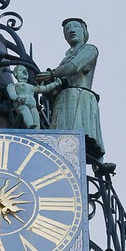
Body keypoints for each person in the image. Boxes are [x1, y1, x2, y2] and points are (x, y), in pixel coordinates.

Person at [36, 18, 104, 159]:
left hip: (79, 95)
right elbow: (61, 80)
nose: (71, 30)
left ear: (84, 32)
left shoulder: (89, 49)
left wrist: (52, 73)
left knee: (81, 133)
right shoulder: (66, 57)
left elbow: (74, 67)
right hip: (64, 98)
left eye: (75, 27)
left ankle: (99, 162)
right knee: (59, 140)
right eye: (67, 29)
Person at [5, 64, 40, 130]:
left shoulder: (31, 87)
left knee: (35, 113)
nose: (25, 72)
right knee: (25, 110)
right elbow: (12, 95)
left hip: (32, 106)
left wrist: (54, 84)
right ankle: (30, 125)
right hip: (21, 105)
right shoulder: (12, 85)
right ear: (15, 74)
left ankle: (37, 130)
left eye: (26, 70)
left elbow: (44, 88)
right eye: (21, 70)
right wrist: (19, 98)